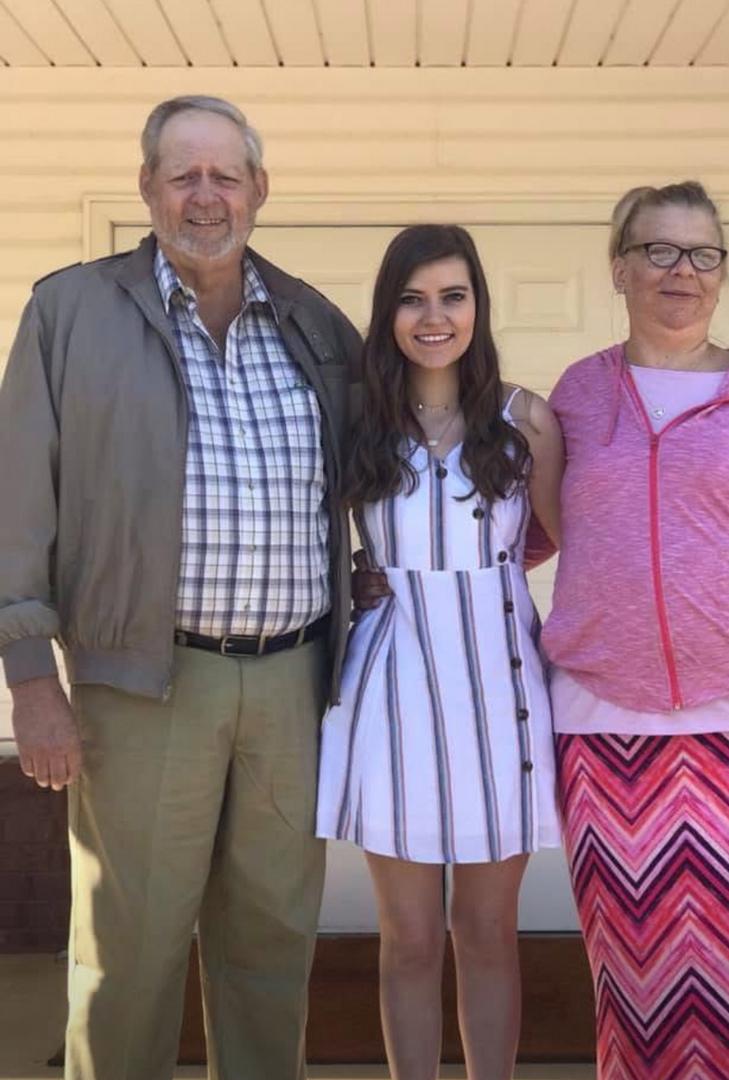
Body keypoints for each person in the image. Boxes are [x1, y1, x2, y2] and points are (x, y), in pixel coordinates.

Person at [0, 95, 361, 1080]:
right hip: (143, 683)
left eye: (225, 176)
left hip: (293, 684)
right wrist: (30, 676)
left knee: (272, 947)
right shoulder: (71, 313)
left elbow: (388, 464)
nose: (206, 196)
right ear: (147, 188)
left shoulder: (315, 324)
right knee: (129, 955)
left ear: (259, 189)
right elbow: (18, 501)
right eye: (183, 175)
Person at [528, 180, 729, 1080]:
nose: (683, 271)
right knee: (638, 993)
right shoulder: (579, 395)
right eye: (660, 251)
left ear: (721, 271)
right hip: (608, 736)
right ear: (619, 268)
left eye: (703, 254)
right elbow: (534, 533)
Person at [315, 224, 564, 1080]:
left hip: (501, 687)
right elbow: (312, 543)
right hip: (393, 685)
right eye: (412, 299)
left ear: (477, 307)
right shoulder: (356, 422)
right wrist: (355, 581)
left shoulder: (525, 419)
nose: (433, 317)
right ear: (386, 312)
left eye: (452, 296)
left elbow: (575, 548)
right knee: (410, 937)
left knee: (487, 931)